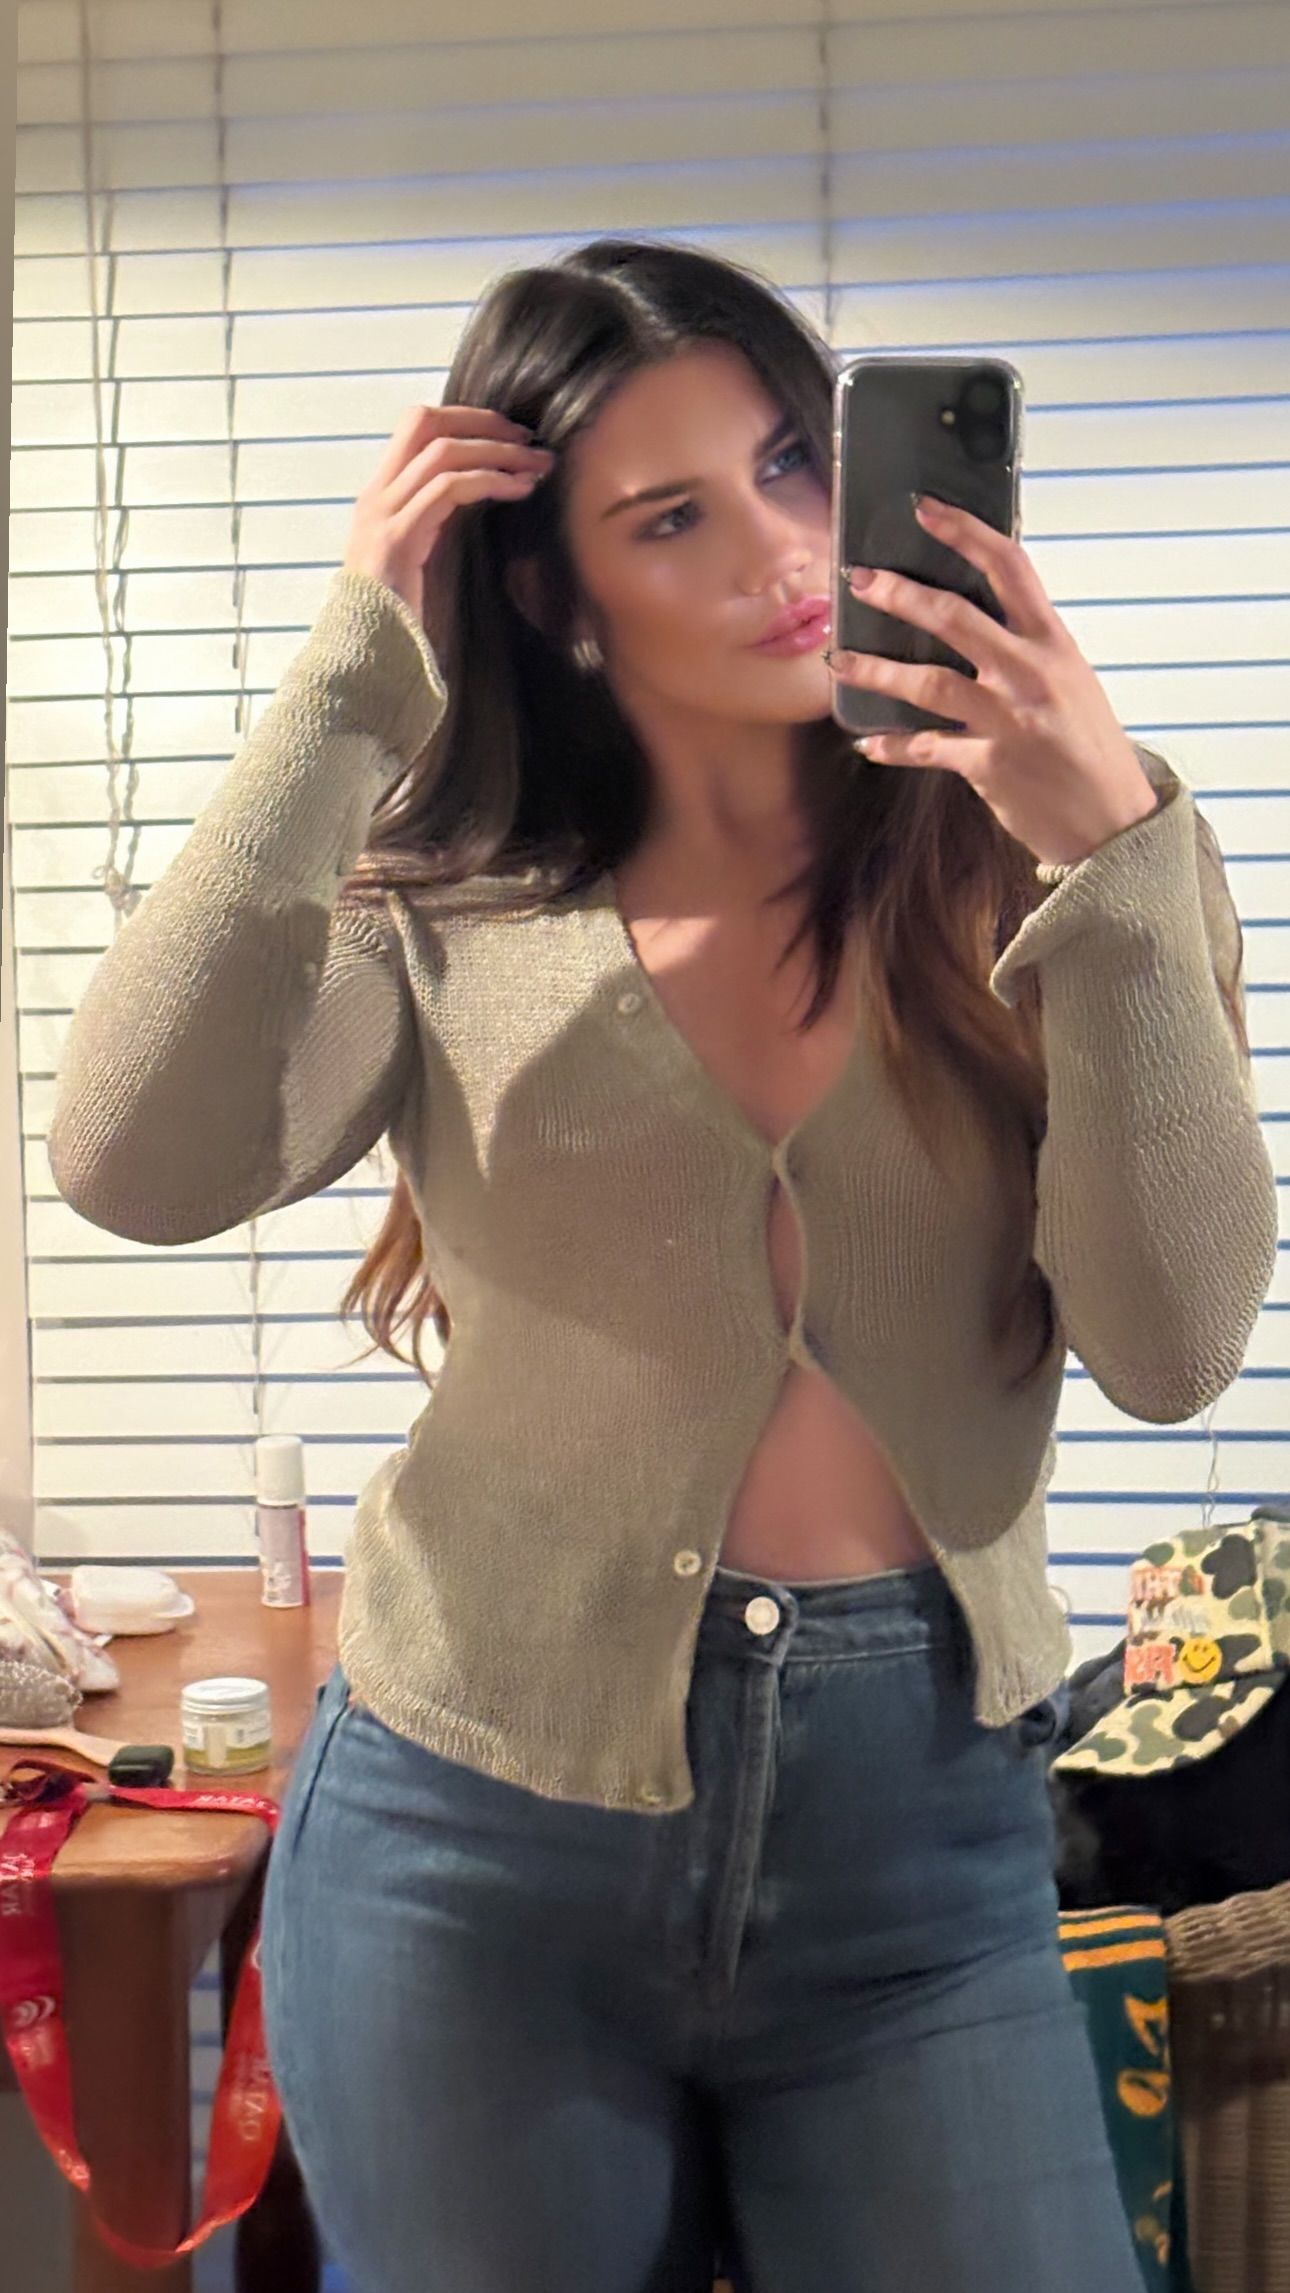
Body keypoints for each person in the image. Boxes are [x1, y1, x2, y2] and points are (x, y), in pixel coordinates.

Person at [46, 236, 1277, 2292]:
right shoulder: (441, 904)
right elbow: (133, 1161)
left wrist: (1108, 854)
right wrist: (353, 677)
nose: (781, 548)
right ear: (555, 592)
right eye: (672, 516)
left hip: (919, 1863)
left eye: (795, 462)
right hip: (471, 1839)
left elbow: (1172, 1345)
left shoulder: (1065, 859)